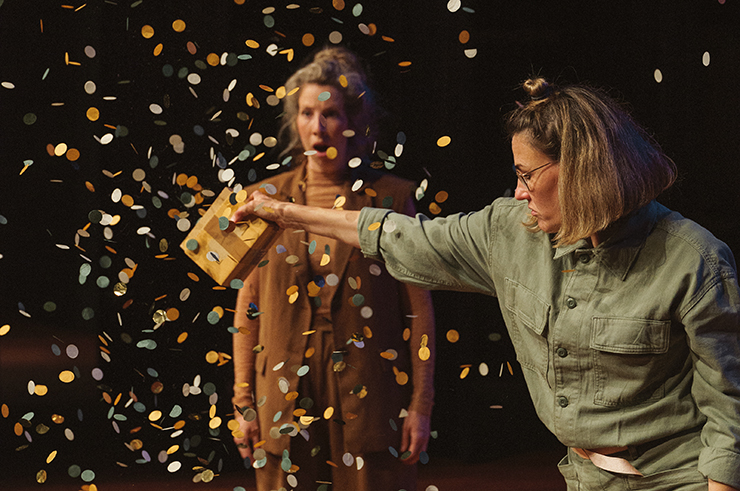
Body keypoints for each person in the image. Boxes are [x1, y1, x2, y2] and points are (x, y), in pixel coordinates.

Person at [233, 77, 740, 491]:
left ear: (583, 170)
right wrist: (281, 212)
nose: (517, 192)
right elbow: (399, 235)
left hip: (679, 481)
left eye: (526, 174)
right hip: (585, 478)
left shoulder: (695, 261)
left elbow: (730, 414)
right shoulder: (510, 231)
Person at [231, 46, 435, 491]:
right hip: (282, 394)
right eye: (306, 113)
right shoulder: (264, 198)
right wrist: (243, 401)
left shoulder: (390, 199)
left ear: (355, 123)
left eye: (331, 114)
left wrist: (421, 404)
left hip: (370, 391)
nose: (317, 127)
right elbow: (248, 309)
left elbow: (419, 313)